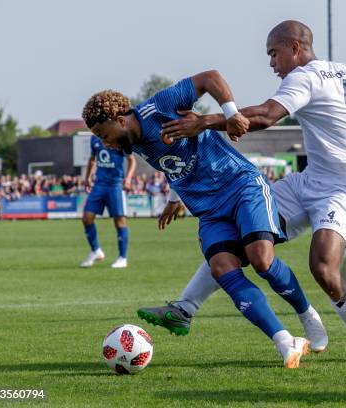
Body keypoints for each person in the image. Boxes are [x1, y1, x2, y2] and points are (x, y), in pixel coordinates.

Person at [149, 20, 346, 363]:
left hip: (343, 188)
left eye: (273, 53)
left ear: (295, 48)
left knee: (323, 268)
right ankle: (185, 308)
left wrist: (204, 121)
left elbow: (265, 116)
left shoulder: (304, 77)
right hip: (307, 181)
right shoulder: (343, 71)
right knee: (238, 235)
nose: (271, 63)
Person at [81, 69, 325, 368]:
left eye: (105, 136)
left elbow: (210, 77)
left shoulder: (159, 106)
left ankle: (307, 314)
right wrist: (174, 197)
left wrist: (232, 113)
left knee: (261, 259)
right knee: (222, 266)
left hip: (240, 185)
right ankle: (285, 341)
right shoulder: (135, 142)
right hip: (208, 209)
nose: (106, 144)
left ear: (120, 120)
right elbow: (177, 163)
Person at [80, 135, 136, 268]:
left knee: (119, 221)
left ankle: (122, 258)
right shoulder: (94, 138)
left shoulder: (119, 136)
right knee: (87, 218)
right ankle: (96, 250)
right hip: (99, 185)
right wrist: (87, 177)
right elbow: (92, 159)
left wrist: (128, 179)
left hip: (115, 185)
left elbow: (131, 160)